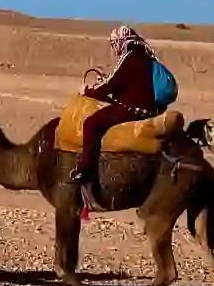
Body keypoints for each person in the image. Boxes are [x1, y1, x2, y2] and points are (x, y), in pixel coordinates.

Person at [67, 25, 160, 188]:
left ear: (121, 41)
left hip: (133, 109)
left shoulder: (128, 58)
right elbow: (124, 85)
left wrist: (88, 91)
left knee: (91, 124)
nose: (114, 47)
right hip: (150, 108)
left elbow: (110, 85)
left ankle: (85, 170)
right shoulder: (146, 56)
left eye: (114, 43)